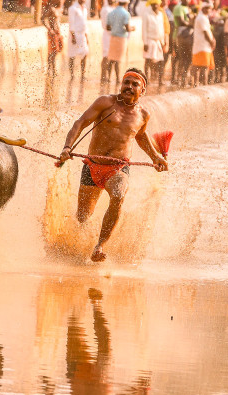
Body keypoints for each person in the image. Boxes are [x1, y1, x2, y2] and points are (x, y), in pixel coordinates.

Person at [58, 68, 168, 262]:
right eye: (127, 82)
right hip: (93, 166)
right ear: (121, 85)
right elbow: (80, 123)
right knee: (83, 217)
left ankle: (99, 246)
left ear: (142, 91)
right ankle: (77, 248)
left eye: (135, 84)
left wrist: (155, 157)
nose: (129, 87)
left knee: (118, 194)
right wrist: (67, 147)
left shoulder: (143, 115)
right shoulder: (105, 102)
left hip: (118, 168)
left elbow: (140, 136)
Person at [106, 0, 135, 84]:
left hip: (113, 37)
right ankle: (118, 79)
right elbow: (128, 28)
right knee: (118, 60)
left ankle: (108, 78)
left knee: (111, 59)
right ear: (126, 3)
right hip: (121, 38)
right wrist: (133, 28)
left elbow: (108, 27)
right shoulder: (126, 14)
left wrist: (115, 28)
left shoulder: (111, 13)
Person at [142, 0, 166, 85]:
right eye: (153, 5)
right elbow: (144, 29)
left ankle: (160, 80)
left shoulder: (160, 15)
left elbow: (162, 28)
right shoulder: (146, 15)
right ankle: (146, 79)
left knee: (161, 62)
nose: (155, 6)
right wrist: (145, 43)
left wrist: (163, 41)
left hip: (158, 41)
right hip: (149, 40)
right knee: (147, 61)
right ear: (151, 5)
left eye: (156, 4)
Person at [68, 0, 89, 81]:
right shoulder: (73, 8)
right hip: (74, 34)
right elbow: (71, 22)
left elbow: (85, 23)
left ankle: (82, 74)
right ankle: (72, 75)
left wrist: (87, 36)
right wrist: (73, 36)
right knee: (72, 55)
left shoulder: (85, 8)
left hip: (83, 35)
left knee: (85, 54)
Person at [42, 0, 63, 74]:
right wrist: (49, 29)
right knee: (53, 51)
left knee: (57, 50)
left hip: (58, 32)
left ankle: (51, 69)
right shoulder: (51, 8)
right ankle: (51, 69)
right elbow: (43, 18)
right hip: (53, 32)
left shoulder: (59, 8)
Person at [171, 0, 190, 83]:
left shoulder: (186, 8)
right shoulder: (178, 7)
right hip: (178, 35)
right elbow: (180, 21)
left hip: (186, 36)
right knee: (178, 57)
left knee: (185, 57)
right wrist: (192, 24)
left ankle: (182, 77)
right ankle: (174, 77)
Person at [100, 0, 116, 83]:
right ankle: (103, 76)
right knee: (106, 56)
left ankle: (107, 76)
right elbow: (107, 25)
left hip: (112, 35)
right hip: (107, 35)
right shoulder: (105, 9)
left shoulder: (112, 8)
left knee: (111, 57)